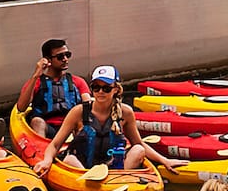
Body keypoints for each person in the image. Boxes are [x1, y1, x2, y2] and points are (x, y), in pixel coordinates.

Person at [45, 65, 185, 175]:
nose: (100, 92)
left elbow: (139, 143)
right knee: (69, 159)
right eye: (96, 87)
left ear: (116, 90)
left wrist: (164, 160)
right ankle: (90, 184)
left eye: (106, 88)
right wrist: (47, 160)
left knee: (138, 150)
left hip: (113, 169)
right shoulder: (79, 112)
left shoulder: (125, 112)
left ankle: (117, 180)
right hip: (82, 170)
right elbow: (55, 144)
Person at [14, 39, 90, 137]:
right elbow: (21, 107)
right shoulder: (36, 82)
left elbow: (87, 104)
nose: (65, 59)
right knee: (37, 121)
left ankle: (82, 148)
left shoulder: (78, 81)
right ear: (48, 60)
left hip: (71, 128)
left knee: (82, 123)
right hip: (47, 127)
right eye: (60, 57)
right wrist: (36, 75)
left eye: (67, 55)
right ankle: (41, 151)